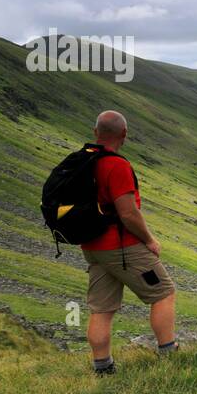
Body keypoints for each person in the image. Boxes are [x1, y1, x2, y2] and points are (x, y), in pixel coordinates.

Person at [82, 110, 177, 374]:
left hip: (92, 247)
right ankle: (169, 354)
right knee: (163, 293)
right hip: (121, 247)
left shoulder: (84, 161)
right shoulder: (116, 165)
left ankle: (102, 367)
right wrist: (149, 239)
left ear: (95, 132)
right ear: (124, 134)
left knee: (101, 308)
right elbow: (127, 212)